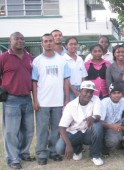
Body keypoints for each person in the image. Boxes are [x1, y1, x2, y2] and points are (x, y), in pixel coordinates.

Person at [32, 33, 70, 165]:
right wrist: (35, 100)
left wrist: (66, 100)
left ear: (54, 43)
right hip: (43, 102)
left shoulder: (62, 60)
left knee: (56, 128)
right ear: (42, 44)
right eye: (45, 41)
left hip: (58, 101)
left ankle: (53, 151)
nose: (48, 43)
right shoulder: (37, 61)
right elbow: (34, 82)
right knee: (42, 128)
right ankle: (41, 153)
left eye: (50, 41)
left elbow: (66, 81)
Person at [0, 32, 35, 169]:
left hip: (27, 98)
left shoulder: (29, 57)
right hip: (11, 99)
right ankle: (13, 158)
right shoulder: (4, 57)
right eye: (16, 39)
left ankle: (24, 152)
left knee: (28, 130)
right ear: (10, 41)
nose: (20, 41)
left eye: (22, 39)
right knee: (11, 131)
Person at [56, 81, 104, 166]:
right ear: (81, 91)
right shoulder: (71, 106)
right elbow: (62, 127)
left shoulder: (95, 99)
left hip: (87, 132)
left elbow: (98, 116)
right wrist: (68, 145)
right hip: (74, 133)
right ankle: (77, 150)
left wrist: (92, 117)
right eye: (86, 91)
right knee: (60, 148)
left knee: (98, 126)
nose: (89, 94)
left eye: (91, 92)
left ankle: (95, 155)